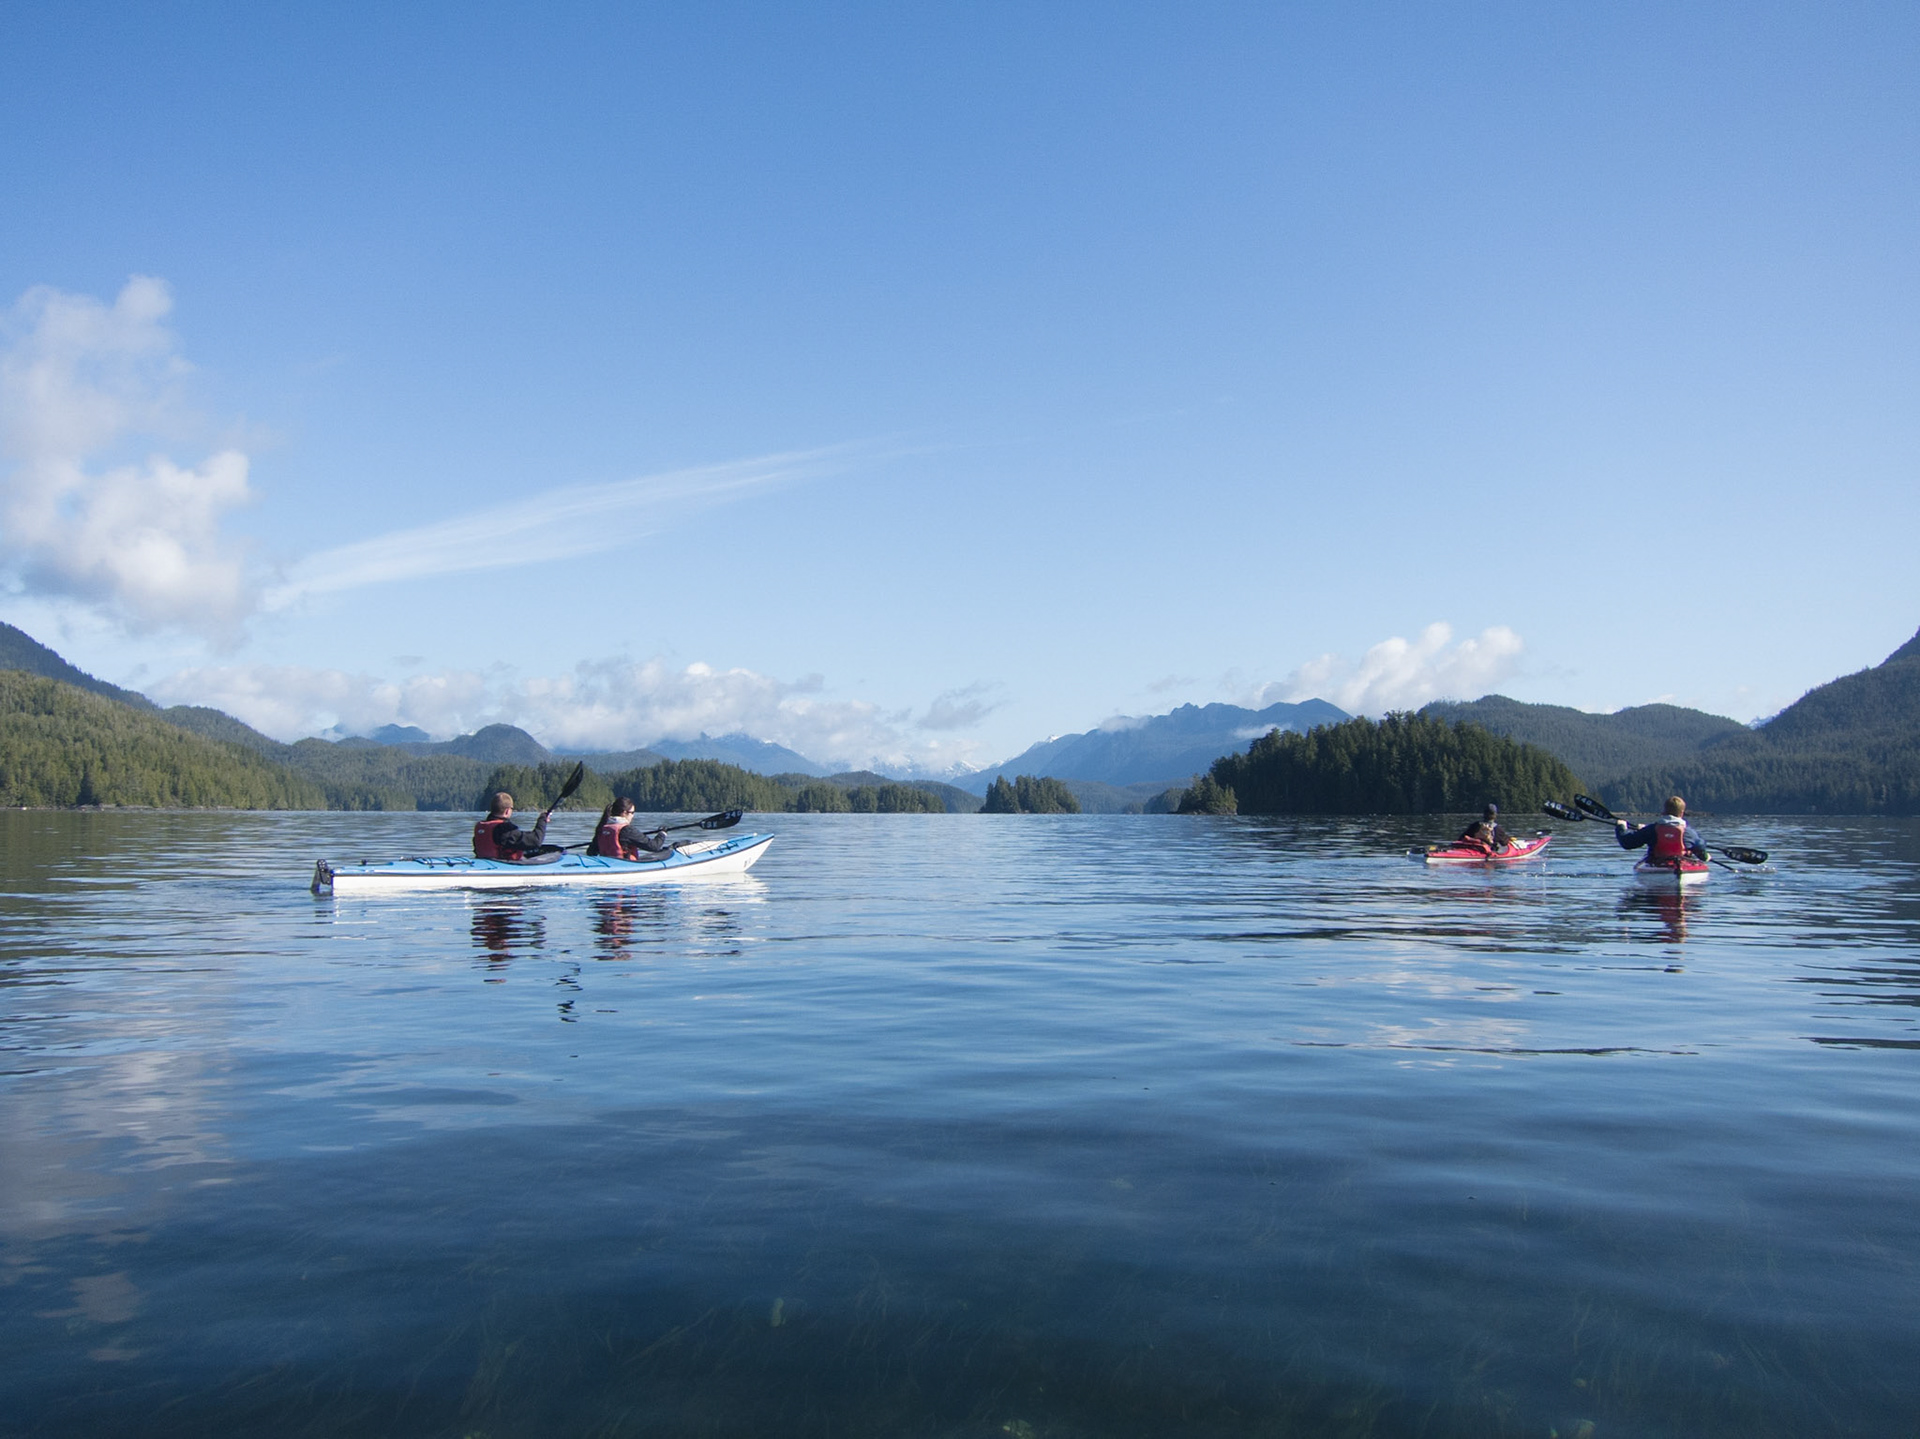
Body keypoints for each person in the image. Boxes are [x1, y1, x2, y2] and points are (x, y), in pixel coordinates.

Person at [1615, 796, 1708, 865]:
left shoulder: (1651, 830)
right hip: (1681, 864)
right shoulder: (1688, 832)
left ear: (1663, 811)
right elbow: (1700, 845)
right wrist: (1704, 854)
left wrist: (1621, 827)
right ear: (1682, 813)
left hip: (1657, 865)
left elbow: (1627, 843)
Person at [472, 791, 561, 862]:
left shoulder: (480, 826)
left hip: (484, 861)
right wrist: (542, 820)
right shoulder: (504, 829)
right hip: (502, 865)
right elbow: (536, 841)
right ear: (507, 811)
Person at [589, 798, 673, 861]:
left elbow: (591, 852)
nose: (633, 816)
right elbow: (654, 846)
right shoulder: (627, 830)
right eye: (632, 813)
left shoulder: (603, 827)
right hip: (625, 866)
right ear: (624, 813)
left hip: (607, 864)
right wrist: (662, 834)